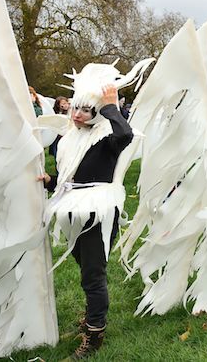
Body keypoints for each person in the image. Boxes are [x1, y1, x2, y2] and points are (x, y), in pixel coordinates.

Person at [39, 84, 133, 359]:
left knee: (93, 274)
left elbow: (125, 133)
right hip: (73, 208)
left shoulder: (108, 138)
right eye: (75, 107)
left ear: (97, 113)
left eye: (85, 110)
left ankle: (95, 333)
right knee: (84, 267)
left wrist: (110, 106)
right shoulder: (71, 138)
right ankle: (93, 316)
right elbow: (72, 178)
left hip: (98, 212)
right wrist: (50, 182)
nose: (76, 114)